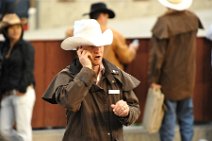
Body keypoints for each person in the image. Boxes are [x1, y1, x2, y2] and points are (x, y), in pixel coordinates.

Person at [43, 19, 140, 141]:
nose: (98, 49)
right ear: (80, 49)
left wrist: (126, 112)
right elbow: (70, 102)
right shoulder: (67, 75)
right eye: (92, 45)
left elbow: (134, 107)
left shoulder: (117, 75)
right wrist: (87, 70)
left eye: (100, 44)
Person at [148, 0, 203, 141]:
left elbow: (156, 57)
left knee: (168, 119)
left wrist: (154, 79)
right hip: (188, 77)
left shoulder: (163, 22)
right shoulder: (192, 18)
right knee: (186, 116)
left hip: (168, 80)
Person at [66, 2, 139, 70]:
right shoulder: (114, 34)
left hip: (85, 73)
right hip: (110, 76)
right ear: (102, 16)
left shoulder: (80, 32)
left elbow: (68, 32)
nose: (107, 20)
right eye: (107, 17)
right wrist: (132, 48)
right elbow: (126, 57)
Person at [0, 13, 36, 141]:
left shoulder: (26, 47)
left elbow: (28, 70)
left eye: (18, 27)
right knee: (3, 131)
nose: (15, 30)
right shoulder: (2, 48)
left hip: (22, 93)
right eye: (11, 27)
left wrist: (22, 88)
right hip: (6, 94)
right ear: (5, 30)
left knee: (23, 130)